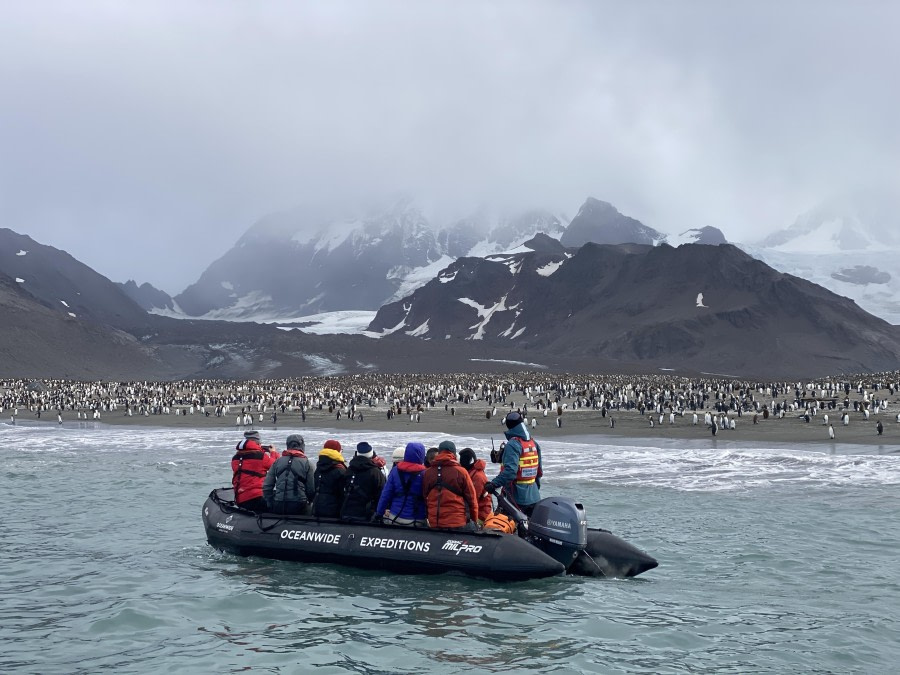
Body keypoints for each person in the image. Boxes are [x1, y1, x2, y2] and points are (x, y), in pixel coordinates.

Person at [485, 411, 543, 517]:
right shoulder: (533, 443)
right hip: (534, 497)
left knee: (502, 526)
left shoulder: (513, 444)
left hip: (516, 498)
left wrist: (493, 484)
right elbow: (539, 472)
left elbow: (511, 472)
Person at [421, 440, 479, 531]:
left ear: (439, 453)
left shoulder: (428, 473)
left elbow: (424, 497)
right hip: (457, 522)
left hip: (435, 523)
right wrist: (474, 521)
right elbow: (472, 500)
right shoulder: (461, 472)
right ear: (454, 454)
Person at [376, 442, 428, 526]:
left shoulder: (395, 471)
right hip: (417, 519)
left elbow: (385, 494)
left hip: (396, 517)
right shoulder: (425, 474)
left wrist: (379, 513)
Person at [262, 434, 315, 515]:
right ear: (302, 446)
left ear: (288, 445)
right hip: (299, 504)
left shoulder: (277, 462)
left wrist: (270, 503)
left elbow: (267, 486)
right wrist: (310, 502)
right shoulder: (307, 464)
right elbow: (311, 489)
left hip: (279, 503)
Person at [340, 442, 386, 522]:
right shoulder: (376, 473)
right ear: (371, 455)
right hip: (366, 515)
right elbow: (381, 495)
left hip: (346, 512)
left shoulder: (349, 470)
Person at [231, 430, 275, 512]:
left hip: (240, 499)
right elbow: (277, 466)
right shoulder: (261, 457)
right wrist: (273, 453)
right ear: (258, 443)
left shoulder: (235, 458)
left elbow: (249, 463)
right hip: (256, 498)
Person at [312, 439, 347, 518]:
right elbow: (342, 494)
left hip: (317, 507)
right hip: (334, 510)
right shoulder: (340, 470)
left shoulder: (318, 467)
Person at [459, 447, 492, 525]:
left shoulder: (477, 477)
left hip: (480, 515)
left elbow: (472, 500)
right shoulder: (472, 472)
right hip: (475, 511)